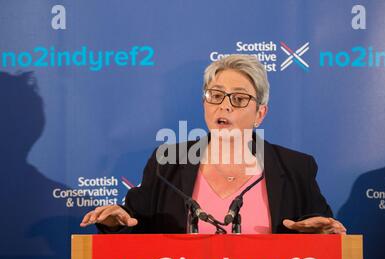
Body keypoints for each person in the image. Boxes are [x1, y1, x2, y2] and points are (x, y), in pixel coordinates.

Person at [80, 54, 346, 235]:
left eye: (239, 98)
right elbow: (136, 222)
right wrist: (117, 221)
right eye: (216, 95)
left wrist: (321, 232)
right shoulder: (168, 161)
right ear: (205, 104)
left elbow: (317, 223)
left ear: (260, 114)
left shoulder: (294, 167)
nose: (225, 105)